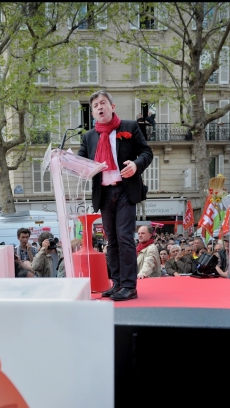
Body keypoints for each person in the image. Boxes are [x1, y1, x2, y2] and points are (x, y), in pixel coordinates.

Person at [78, 90, 153, 300]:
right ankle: (118, 283)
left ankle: (130, 286)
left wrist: (136, 165)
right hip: (103, 193)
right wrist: (66, 160)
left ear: (112, 107)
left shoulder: (129, 127)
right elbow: (81, 162)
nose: (99, 107)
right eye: (95, 106)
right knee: (111, 241)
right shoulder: (89, 137)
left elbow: (147, 153)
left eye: (103, 103)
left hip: (125, 190)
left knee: (125, 237)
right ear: (93, 113)